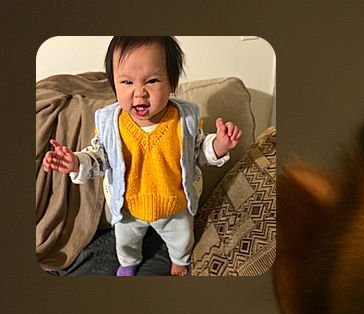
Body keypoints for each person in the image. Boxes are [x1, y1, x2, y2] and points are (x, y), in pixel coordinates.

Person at [42, 36, 242, 276]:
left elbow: (198, 152)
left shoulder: (182, 120)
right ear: (114, 85)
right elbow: (100, 157)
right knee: (125, 241)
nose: (139, 93)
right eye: (126, 82)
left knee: (182, 238)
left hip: (173, 204)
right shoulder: (111, 124)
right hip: (129, 206)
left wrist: (220, 144)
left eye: (152, 81)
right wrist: (75, 162)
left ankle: (179, 260)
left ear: (172, 83)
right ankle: (128, 262)